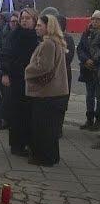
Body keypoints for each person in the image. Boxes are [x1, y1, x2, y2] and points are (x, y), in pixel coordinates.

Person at [24, 14, 69, 166]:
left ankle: (44, 158)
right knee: (50, 128)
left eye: (39, 26)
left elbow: (44, 67)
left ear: (48, 27)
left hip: (47, 92)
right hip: (55, 93)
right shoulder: (55, 42)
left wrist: (28, 70)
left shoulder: (49, 44)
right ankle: (51, 157)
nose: (36, 28)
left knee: (43, 127)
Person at [0, 8, 39, 156]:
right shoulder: (14, 35)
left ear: (34, 20)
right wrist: (5, 73)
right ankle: (16, 145)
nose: (24, 21)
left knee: (29, 113)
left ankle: (28, 142)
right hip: (16, 78)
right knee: (17, 113)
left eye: (27, 18)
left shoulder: (36, 36)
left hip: (31, 79)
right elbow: (6, 54)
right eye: (22, 18)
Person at [76, 10, 100, 130]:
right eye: (93, 19)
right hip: (88, 69)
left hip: (97, 69)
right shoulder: (86, 33)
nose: (94, 22)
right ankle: (89, 119)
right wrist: (86, 60)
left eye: (97, 19)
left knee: (98, 96)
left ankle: (98, 120)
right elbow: (80, 48)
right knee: (89, 96)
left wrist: (94, 61)